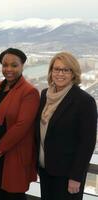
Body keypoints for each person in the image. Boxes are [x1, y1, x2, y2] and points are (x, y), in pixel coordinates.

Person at [35, 52, 97, 200]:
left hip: (67, 175)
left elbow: (87, 143)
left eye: (66, 70)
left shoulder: (84, 101)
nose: (60, 73)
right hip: (45, 170)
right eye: (56, 69)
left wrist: (76, 177)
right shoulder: (45, 94)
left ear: (73, 73)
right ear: (51, 72)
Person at [0, 48, 40, 200]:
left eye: (14, 65)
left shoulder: (29, 92)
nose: (8, 69)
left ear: (22, 66)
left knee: (14, 194)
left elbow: (22, 126)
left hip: (14, 153)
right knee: (2, 192)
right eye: (5, 65)